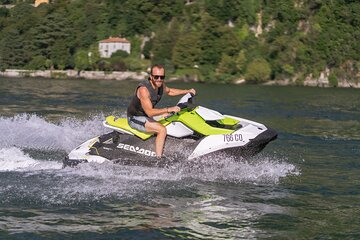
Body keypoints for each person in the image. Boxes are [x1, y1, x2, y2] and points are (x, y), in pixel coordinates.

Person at [127, 65, 196, 158]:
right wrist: (168, 109)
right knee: (162, 129)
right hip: (135, 117)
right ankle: (158, 159)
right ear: (151, 77)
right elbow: (150, 112)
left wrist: (187, 91)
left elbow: (170, 91)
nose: (159, 79)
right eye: (156, 77)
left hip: (147, 116)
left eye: (162, 77)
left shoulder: (160, 85)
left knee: (170, 118)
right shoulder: (144, 90)